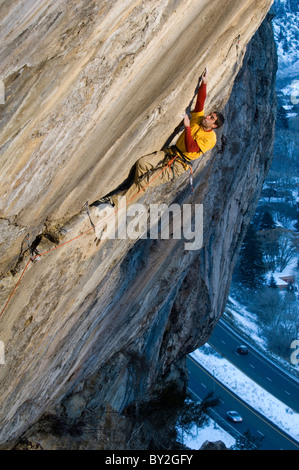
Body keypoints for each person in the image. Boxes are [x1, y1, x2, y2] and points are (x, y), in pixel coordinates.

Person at [96, 68, 224, 210]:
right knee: (142, 164)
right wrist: (204, 83)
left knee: (146, 181)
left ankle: (114, 202)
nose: (207, 117)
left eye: (211, 118)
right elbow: (200, 102)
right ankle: (131, 193)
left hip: (178, 164)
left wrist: (187, 127)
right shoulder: (199, 119)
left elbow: (191, 148)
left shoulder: (210, 139)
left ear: (214, 125)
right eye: (209, 115)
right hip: (170, 152)